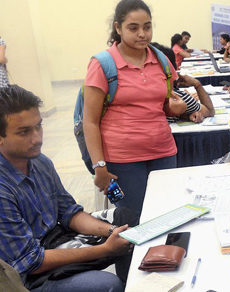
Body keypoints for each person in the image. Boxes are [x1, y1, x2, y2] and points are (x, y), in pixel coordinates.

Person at [0, 85, 137, 291]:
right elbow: (30, 262)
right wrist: (105, 249)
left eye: (38, 126)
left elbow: (68, 213)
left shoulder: (40, 162)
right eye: (24, 132)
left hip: (56, 239)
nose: (37, 138)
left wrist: (111, 232)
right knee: (106, 286)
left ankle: (133, 284)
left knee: (127, 222)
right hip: (29, 276)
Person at [84, 0, 190, 214]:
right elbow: (90, 121)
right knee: (130, 218)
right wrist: (99, 167)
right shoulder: (102, 64)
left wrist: (175, 110)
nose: (142, 34)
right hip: (121, 161)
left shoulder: (162, 61)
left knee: (167, 213)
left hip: (164, 153)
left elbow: (162, 107)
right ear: (118, 28)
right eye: (133, 28)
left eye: (147, 27)